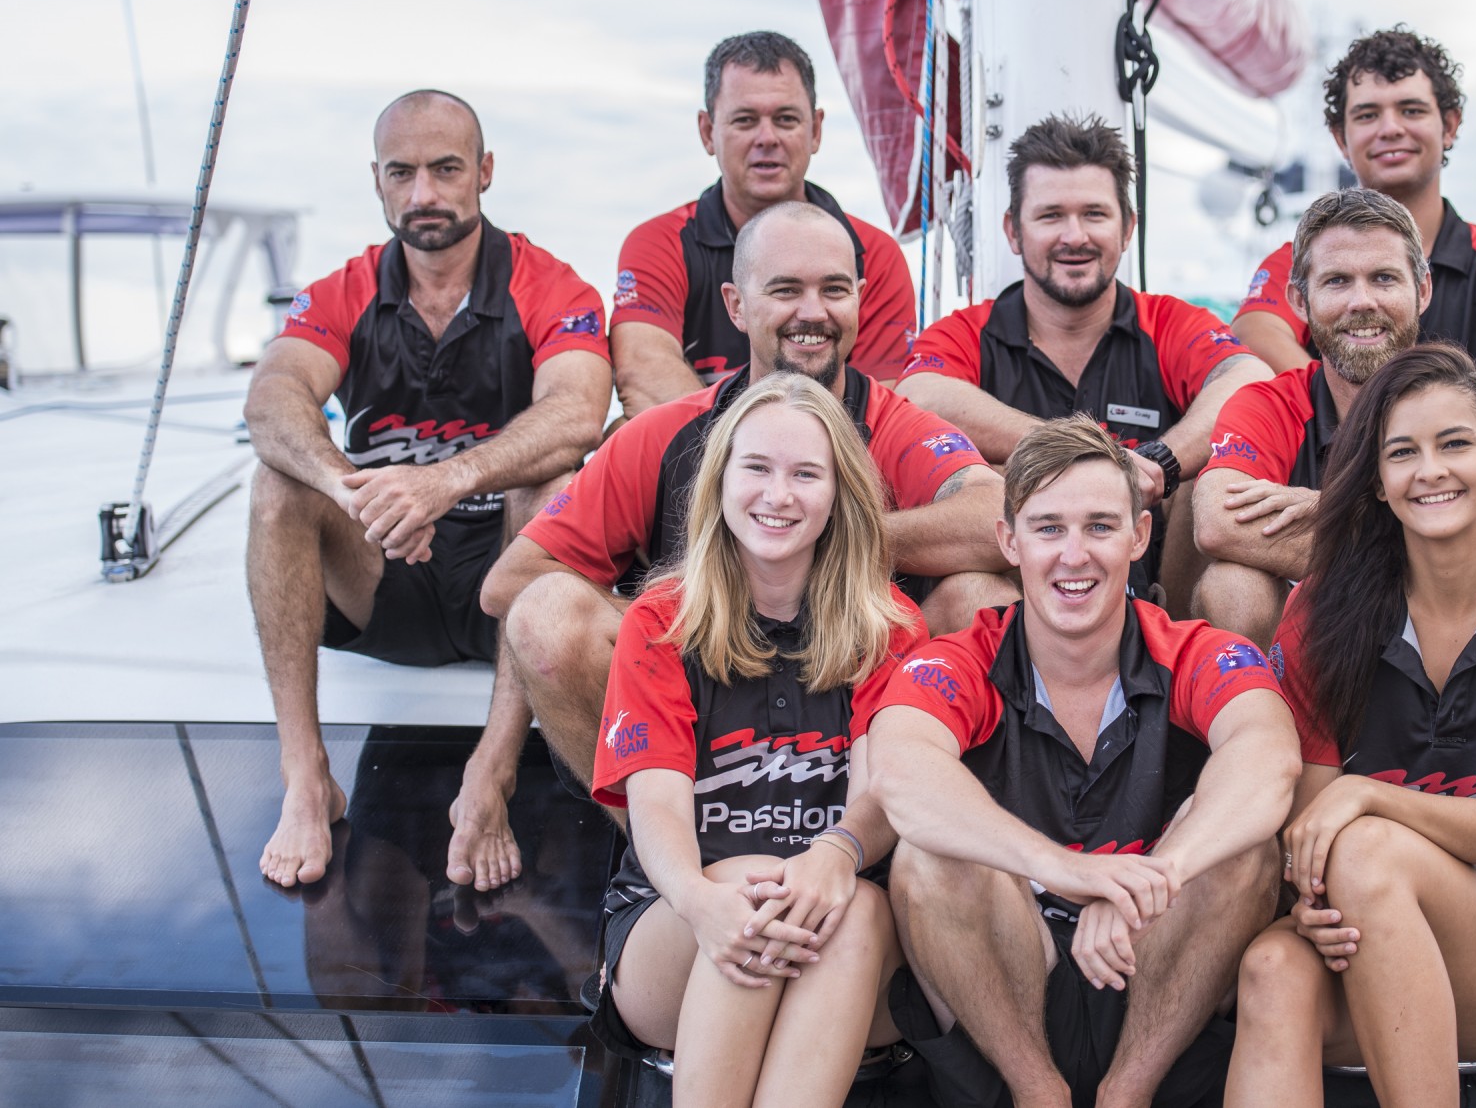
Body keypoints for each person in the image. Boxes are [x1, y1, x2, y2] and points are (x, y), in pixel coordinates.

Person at [485, 201, 1015, 799]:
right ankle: (660, 858)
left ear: (861, 300)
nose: (813, 312)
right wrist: (700, 609)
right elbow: (508, 584)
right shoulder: (664, 433)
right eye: (786, 289)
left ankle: (914, 839)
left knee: (986, 602)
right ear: (736, 306)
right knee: (547, 615)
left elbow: (996, 516)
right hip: (703, 690)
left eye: (834, 289)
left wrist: (828, 538)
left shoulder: (896, 424)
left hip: (855, 691)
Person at [1225, 344, 1476, 1107]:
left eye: (1455, 444)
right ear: (1376, 481)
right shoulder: (1319, 607)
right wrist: (1314, 887)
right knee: (1269, 971)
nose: (1430, 470)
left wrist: (1367, 799)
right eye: (1402, 452)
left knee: (1369, 848)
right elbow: (1313, 822)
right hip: (1359, 909)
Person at [866, 417, 1302, 1108]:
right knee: (929, 854)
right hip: (1007, 980)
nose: (1075, 555)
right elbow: (899, 772)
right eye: (1048, 528)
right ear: (1009, 541)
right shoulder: (963, 657)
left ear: (1139, 536)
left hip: (1161, 980)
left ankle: (1126, 1095)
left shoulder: (1194, 649)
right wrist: (1068, 871)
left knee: (1241, 851)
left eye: (1100, 526)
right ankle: (1038, 1092)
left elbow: (1269, 756)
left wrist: (1149, 881)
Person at [243, 89, 611, 889]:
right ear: (376, 181)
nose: (424, 195)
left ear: (483, 171)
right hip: (385, 575)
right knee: (277, 486)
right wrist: (359, 496)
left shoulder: (552, 286)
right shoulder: (343, 291)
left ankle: (494, 768)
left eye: (445, 169)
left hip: (503, 587)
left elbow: (581, 410)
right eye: (401, 172)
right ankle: (306, 775)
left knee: (548, 481)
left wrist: (443, 483)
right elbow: (271, 401)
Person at [584, 373, 926, 1105]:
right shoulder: (661, 620)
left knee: (856, 904)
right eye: (758, 468)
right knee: (744, 885)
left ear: (840, 494)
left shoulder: (887, 624)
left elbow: (878, 797)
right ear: (720, 479)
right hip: (676, 924)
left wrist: (832, 856)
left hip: (837, 930)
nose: (779, 494)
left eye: (807, 473)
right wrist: (702, 903)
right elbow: (660, 812)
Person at [1193, 188, 1476, 649]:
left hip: (1463, 645)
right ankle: (1258, 720)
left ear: (1422, 290)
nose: (1362, 301)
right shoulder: (1269, 404)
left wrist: (1346, 513)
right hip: (1325, 642)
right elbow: (1218, 524)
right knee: (1231, 585)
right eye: (1337, 281)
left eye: (1384, 279)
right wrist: (1442, 525)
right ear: (1299, 302)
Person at [897, 115, 1271, 611]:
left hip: (1164, 605)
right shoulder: (967, 333)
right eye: (1051, 215)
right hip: (1019, 617)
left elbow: (1250, 379)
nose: (1074, 236)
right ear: (1014, 230)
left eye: (1094, 214)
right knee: (985, 496)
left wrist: (1161, 461)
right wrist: (1078, 457)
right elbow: (916, 394)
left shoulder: (1166, 323)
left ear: (1127, 227)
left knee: (1208, 486)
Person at [1231, 27, 1476, 423]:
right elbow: (1253, 336)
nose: (1390, 128)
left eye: (1411, 110)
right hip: (1337, 465)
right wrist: (1363, 425)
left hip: (1456, 469)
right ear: (1341, 139)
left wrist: (1436, 426)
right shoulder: (1298, 260)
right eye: (1367, 115)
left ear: (1449, 125)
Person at [609, 30, 916, 416]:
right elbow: (644, 375)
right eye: (745, 120)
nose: (766, 138)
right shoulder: (659, 244)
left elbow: (875, 410)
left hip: (827, 467)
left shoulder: (876, 255)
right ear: (707, 132)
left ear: (816, 130)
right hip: (698, 466)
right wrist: (745, 460)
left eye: (785, 119)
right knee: (621, 435)